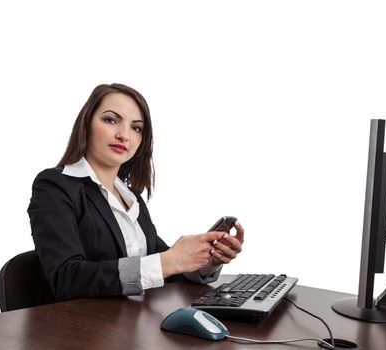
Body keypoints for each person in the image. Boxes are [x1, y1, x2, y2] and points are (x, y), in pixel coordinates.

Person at [28, 83, 244, 302]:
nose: (124, 135)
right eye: (111, 120)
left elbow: (162, 271)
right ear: (87, 124)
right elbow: (67, 279)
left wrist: (207, 261)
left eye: (136, 128)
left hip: (133, 323)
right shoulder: (54, 186)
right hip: (80, 329)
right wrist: (167, 261)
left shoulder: (132, 199)